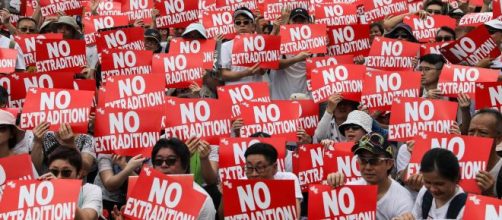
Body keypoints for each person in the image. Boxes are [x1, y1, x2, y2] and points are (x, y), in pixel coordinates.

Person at [327, 132, 414, 219]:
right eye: (363, 160)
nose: (368, 167)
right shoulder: (350, 190)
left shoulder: (403, 201)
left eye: (374, 161)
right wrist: (333, 187)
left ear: (389, 163)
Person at [150, 138, 216, 219]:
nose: (164, 165)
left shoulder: (203, 200)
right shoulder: (143, 193)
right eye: (158, 161)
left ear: (184, 166)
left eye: (171, 160)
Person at [397, 148, 466, 220]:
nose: (432, 189)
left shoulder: (464, 209)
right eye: (427, 182)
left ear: (455, 179)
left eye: (439, 184)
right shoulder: (425, 193)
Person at [239, 142, 303, 217]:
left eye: (260, 168)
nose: (254, 174)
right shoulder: (239, 185)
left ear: (274, 167)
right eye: (249, 168)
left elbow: (295, 216)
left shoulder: (288, 179)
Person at [40, 147, 103, 220]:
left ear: (79, 174)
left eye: (66, 172)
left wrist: (60, 192)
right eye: (54, 172)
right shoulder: (41, 191)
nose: (59, 177)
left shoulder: (91, 190)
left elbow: (87, 218)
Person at [269, 7, 312, 100]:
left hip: (304, 100)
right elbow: (272, 63)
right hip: (281, 100)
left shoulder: (316, 43)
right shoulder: (281, 40)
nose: (298, 24)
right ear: (289, 23)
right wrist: (297, 59)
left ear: (309, 23)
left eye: (302, 21)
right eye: (295, 21)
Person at [220, 7, 265, 85]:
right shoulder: (225, 46)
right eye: (238, 22)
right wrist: (245, 73)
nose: (242, 25)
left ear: (253, 26)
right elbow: (223, 74)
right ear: (235, 26)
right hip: (234, 93)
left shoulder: (259, 45)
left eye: (246, 22)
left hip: (256, 93)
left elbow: (263, 71)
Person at [469, 109, 502, 198]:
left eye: (483, 133)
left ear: (498, 139)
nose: (475, 137)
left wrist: (489, 194)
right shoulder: (458, 165)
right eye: (471, 131)